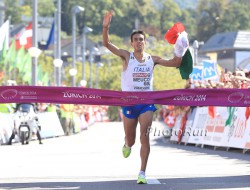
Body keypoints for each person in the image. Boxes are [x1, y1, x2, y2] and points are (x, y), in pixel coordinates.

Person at [102, 11, 188, 184]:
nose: (139, 42)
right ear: (132, 43)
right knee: (132, 140)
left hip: (146, 103)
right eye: (136, 40)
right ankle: (127, 144)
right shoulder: (127, 56)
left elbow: (175, 63)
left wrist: (180, 47)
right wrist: (105, 27)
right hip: (129, 103)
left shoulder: (152, 59)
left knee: (144, 136)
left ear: (145, 42)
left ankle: (142, 172)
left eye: (142, 39)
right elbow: (107, 43)